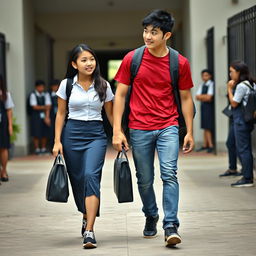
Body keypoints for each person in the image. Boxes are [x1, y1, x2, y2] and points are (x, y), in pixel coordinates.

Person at [112, 10, 194, 247]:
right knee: (144, 179)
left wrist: (189, 130)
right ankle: (151, 214)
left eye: (154, 32)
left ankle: (171, 225)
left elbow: (186, 98)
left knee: (169, 174)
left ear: (166, 35)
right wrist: (118, 130)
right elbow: (120, 95)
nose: (147, 36)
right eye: (146, 31)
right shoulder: (132, 59)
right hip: (139, 127)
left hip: (168, 125)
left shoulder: (179, 62)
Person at [52, 44, 114, 249]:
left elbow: (110, 114)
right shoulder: (67, 85)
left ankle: (90, 230)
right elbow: (60, 114)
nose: (89, 63)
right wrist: (57, 141)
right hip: (72, 135)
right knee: (78, 181)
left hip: (96, 135)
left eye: (92, 59)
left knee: (90, 176)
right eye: (84, 60)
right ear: (74, 64)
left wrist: (119, 133)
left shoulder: (104, 85)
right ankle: (85, 214)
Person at [227, 60, 255, 187]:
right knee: (245, 148)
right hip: (247, 120)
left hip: (240, 121)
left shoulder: (241, 86)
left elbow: (234, 103)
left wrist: (229, 89)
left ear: (239, 72)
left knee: (243, 149)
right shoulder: (251, 84)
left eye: (232, 72)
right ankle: (246, 174)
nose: (230, 75)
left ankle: (247, 177)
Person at [29, 80, 51, 154]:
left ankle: (43, 148)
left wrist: (47, 117)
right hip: (35, 116)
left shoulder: (46, 94)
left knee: (44, 132)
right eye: (40, 87)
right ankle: (37, 149)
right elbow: (34, 107)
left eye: (42, 87)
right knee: (36, 132)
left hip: (44, 116)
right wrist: (44, 107)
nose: (41, 88)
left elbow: (49, 106)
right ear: (36, 87)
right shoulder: (33, 94)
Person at [195, 69, 214, 153]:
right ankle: (205, 144)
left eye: (206, 75)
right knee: (204, 126)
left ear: (210, 76)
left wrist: (202, 97)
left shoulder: (212, 84)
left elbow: (209, 97)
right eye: (203, 75)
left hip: (209, 108)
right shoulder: (202, 84)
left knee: (208, 126)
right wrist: (205, 97)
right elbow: (196, 97)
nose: (204, 77)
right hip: (204, 107)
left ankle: (210, 145)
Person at [0, 75, 14, 182]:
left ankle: (4, 171)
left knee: (4, 147)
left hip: (2, 124)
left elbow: (9, 110)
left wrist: (10, 125)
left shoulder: (5, 94)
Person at [49, 79, 60, 150]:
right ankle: (52, 147)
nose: (56, 87)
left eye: (57, 86)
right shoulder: (48, 95)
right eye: (54, 86)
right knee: (52, 132)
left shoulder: (62, 94)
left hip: (60, 116)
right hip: (52, 116)